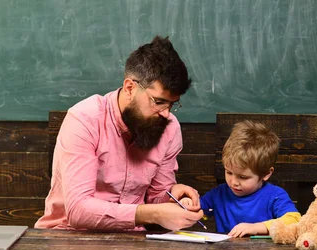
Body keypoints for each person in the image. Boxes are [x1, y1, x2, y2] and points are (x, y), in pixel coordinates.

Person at [35, 36, 203, 231]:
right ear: (130, 88)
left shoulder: (170, 127)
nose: (166, 113)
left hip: (131, 239)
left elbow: (157, 196)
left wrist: (173, 196)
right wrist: (153, 214)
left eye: (172, 104)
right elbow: (78, 211)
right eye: (158, 102)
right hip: (70, 237)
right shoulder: (84, 119)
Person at [181, 120, 301, 237]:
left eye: (243, 177)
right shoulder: (219, 194)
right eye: (228, 172)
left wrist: (256, 228)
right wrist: (188, 204)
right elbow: (198, 209)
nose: (233, 182)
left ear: (266, 174)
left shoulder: (275, 196)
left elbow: (294, 220)